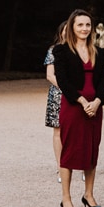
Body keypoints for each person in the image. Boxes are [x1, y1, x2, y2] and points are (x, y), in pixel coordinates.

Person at [52, 9, 104, 207]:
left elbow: (103, 80)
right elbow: (62, 80)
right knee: (70, 150)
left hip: (95, 107)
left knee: (92, 149)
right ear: (72, 27)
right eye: (80, 25)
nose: (84, 28)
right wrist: (83, 101)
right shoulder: (61, 51)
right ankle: (66, 198)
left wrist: (98, 102)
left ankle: (89, 195)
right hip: (73, 105)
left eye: (87, 25)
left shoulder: (100, 52)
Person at [43, 34, 63, 174]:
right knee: (58, 129)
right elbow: (50, 75)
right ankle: (60, 166)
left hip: (77, 92)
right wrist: (65, 88)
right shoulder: (53, 50)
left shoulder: (80, 49)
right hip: (58, 93)